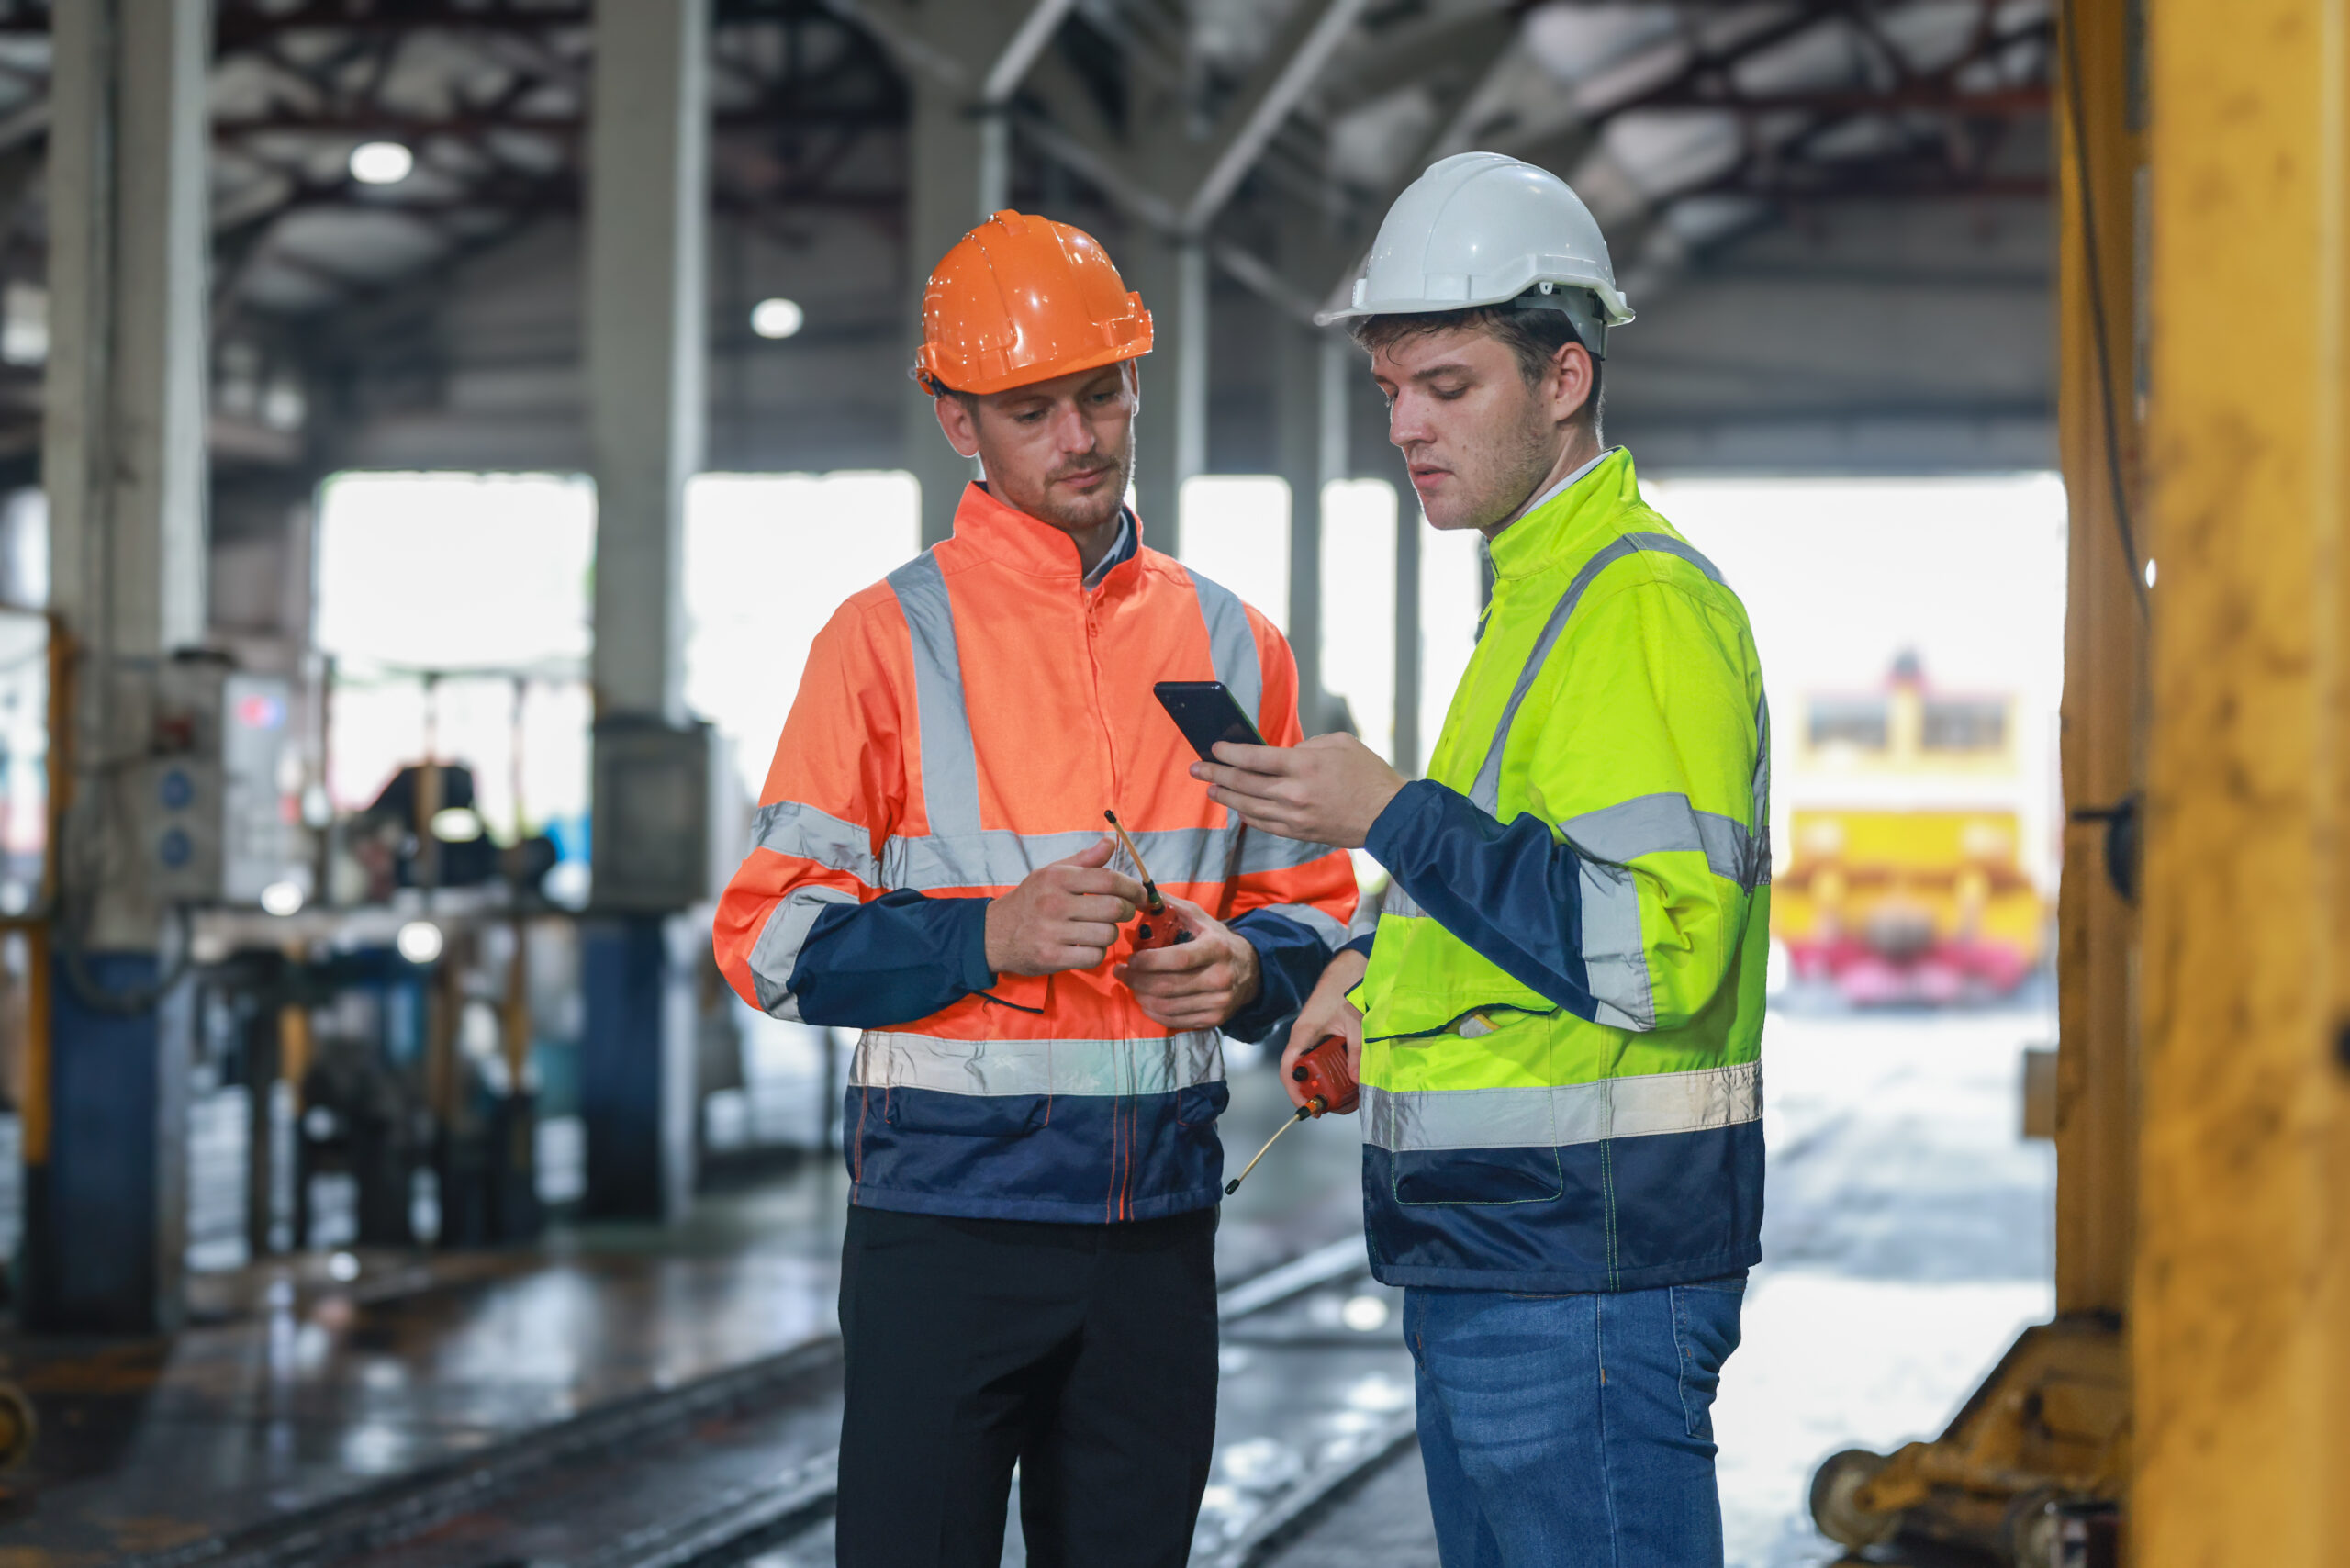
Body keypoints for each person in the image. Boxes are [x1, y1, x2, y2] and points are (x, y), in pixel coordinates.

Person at [711, 209, 1358, 1568]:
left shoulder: (1235, 642)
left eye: (1100, 393)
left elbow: (1316, 905)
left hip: (1159, 1240)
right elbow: (769, 938)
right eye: (1029, 409)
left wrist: (1253, 973)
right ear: (958, 422)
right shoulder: (883, 643)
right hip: (949, 1234)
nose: (1080, 438)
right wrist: (989, 933)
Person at [1192, 152, 1770, 1564]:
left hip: (1582, 1267)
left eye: (1448, 388)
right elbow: (1506, 896)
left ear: (1564, 378)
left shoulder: (1634, 605)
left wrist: (1390, 812)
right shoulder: (1535, 594)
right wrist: (1357, 976)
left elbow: (1654, 954)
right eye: (1390, 390)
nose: (1405, 425)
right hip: (1500, 1256)